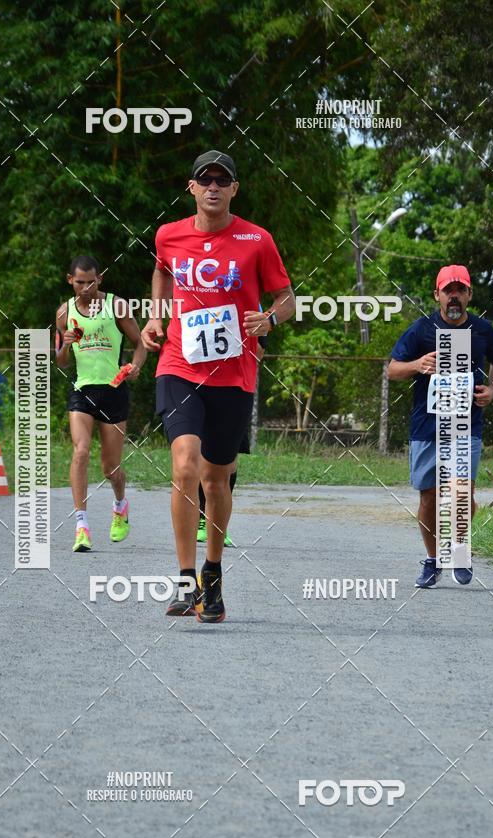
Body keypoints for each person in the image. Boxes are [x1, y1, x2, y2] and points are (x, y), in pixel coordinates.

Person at [142, 150, 295, 622]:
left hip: (234, 372)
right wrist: (155, 314)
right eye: (204, 179)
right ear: (192, 188)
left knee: (216, 477)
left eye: (221, 180)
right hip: (179, 364)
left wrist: (269, 319)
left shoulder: (257, 239)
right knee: (185, 464)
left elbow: (287, 298)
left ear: (233, 189)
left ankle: (213, 573)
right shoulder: (169, 235)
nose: (212, 186)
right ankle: (185, 579)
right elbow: (163, 270)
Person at [388, 264, 493, 588]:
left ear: (469, 295)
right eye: (448, 290)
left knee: (462, 492)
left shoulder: (482, 330)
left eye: (460, 290)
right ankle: (432, 559)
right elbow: (392, 369)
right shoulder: (422, 329)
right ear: (436, 295)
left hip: (467, 425)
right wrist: (418, 364)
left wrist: (492, 390)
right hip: (427, 425)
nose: (454, 296)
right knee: (429, 497)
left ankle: (459, 550)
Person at [55, 255, 146, 552]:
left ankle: (120, 505)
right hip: (82, 390)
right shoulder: (64, 313)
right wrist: (65, 345)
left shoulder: (115, 306)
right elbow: (62, 362)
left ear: (99, 279)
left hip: (114, 389)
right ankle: (81, 526)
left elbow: (140, 341)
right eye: (79, 282)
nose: (85, 288)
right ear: (70, 280)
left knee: (110, 468)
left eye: (90, 282)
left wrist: (136, 366)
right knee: (80, 452)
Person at [196, 326, 268, 547]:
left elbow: (258, 353)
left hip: (234, 391)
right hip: (201, 385)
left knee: (229, 466)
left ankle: (219, 525)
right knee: (202, 458)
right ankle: (201, 519)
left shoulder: (254, 311)